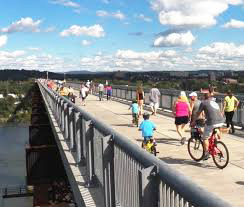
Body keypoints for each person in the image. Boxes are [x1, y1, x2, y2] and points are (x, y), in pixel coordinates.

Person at [192, 93, 225, 160]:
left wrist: (193, 121)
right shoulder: (214, 103)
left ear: (204, 97)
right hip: (221, 121)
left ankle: (206, 153)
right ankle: (215, 142)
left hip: (212, 122)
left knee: (205, 138)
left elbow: (198, 113)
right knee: (213, 132)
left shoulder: (203, 103)